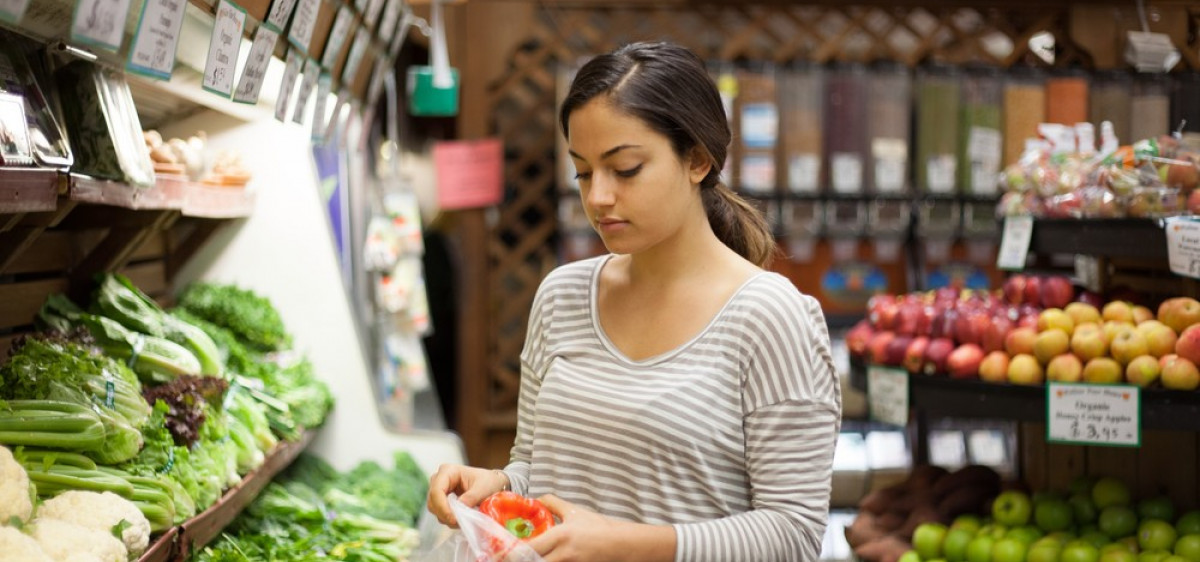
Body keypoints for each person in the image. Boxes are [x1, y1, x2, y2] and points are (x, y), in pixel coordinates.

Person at [427, 41, 841, 561]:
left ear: (697, 159)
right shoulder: (561, 296)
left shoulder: (769, 317)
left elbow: (793, 534)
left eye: (624, 169)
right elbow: (537, 464)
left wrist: (622, 543)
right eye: (582, 172)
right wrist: (498, 483)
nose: (598, 197)